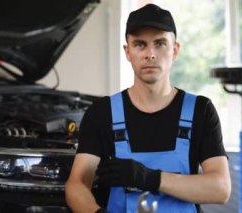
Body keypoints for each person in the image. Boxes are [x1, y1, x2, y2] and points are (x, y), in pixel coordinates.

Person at [65, 3, 231, 213]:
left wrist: (149, 178)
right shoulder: (102, 113)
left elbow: (221, 188)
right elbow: (76, 185)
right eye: (140, 44)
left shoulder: (200, 110)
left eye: (160, 44)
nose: (150, 54)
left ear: (175, 50)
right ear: (127, 51)